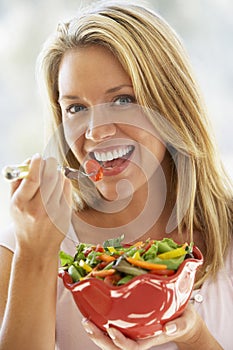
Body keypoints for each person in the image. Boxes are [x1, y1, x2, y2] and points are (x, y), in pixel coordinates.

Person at [0, 1, 232, 349]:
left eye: (122, 100)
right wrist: (35, 254)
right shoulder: (21, 248)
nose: (96, 131)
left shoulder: (227, 235)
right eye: (76, 108)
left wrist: (193, 337)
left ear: (172, 104)